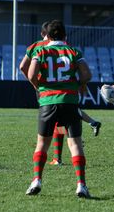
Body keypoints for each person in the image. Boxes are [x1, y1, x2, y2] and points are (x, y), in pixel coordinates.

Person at [25, 20, 92, 198]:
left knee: (42, 144)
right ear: (65, 35)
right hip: (69, 100)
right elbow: (87, 74)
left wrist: (40, 87)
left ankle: (37, 180)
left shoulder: (41, 50)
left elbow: (31, 74)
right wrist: (78, 84)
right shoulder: (73, 51)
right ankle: (81, 185)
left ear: (47, 35)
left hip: (48, 101)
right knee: (75, 144)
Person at [20, 21, 101, 166]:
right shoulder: (65, 46)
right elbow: (82, 71)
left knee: (53, 123)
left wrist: (37, 85)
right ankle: (60, 154)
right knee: (63, 119)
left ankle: (55, 159)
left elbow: (22, 67)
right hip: (66, 90)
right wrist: (81, 84)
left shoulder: (35, 46)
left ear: (43, 34)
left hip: (45, 90)